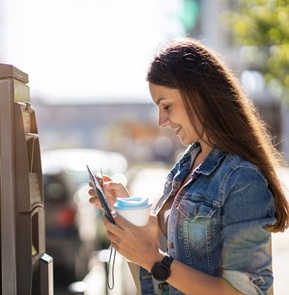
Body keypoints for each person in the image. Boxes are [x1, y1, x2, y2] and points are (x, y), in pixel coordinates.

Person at [89, 38, 289, 295]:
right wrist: (129, 209)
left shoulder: (242, 178)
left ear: (199, 95)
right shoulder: (187, 163)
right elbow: (177, 251)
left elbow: (247, 293)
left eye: (166, 106)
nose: (161, 121)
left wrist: (154, 260)